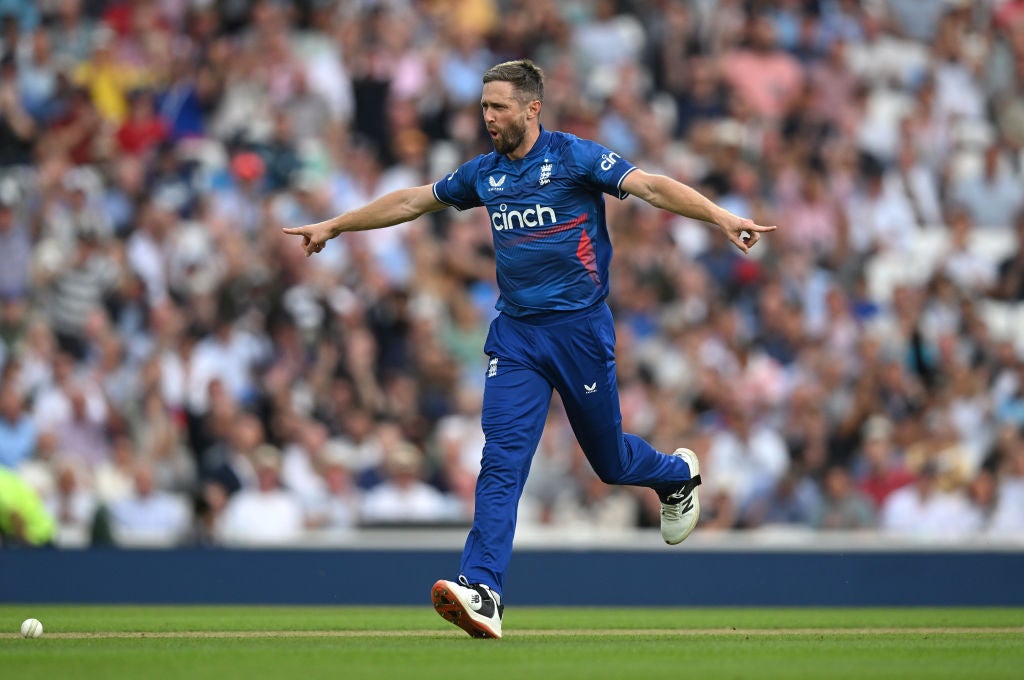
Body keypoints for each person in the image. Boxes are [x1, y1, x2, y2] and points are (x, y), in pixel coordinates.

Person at [283, 59, 775, 638]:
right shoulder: (484, 175)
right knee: (502, 459)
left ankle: (674, 475)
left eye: (498, 107)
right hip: (516, 335)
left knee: (611, 462)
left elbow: (649, 186)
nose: (488, 117)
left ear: (532, 107)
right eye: (484, 107)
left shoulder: (574, 158)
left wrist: (718, 215)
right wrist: (335, 226)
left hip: (580, 332)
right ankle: (484, 589)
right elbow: (414, 201)